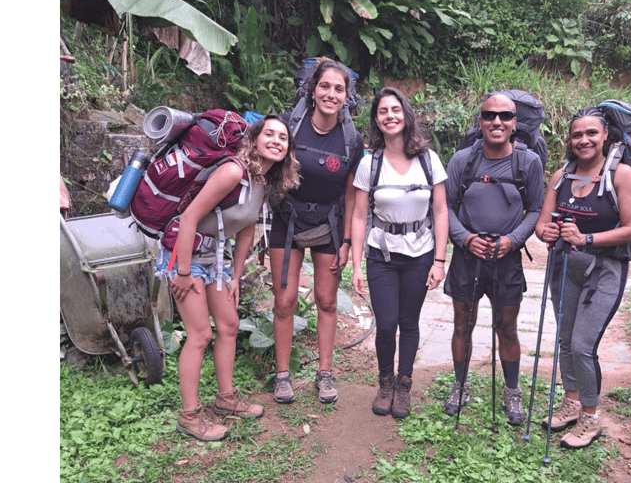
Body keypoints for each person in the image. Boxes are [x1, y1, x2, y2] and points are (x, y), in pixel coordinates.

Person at [157, 114, 300, 441]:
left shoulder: (262, 181)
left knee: (229, 324)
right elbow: (189, 217)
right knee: (199, 334)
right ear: (256, 138)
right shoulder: (234, 171)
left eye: (283, 137)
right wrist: (180, 272)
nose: (277, 141)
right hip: (184, 252)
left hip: (213, 255)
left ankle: (225, 400)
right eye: (270, 134)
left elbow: (246, 230)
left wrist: (235, 276)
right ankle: (189, 416)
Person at [534, 106, 631, 449]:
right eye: (577, 134)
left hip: (605, 269)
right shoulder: (561, 175)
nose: (584, 140)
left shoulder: (621, 175)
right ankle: (572, 401)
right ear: (570, 139)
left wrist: (587, 239)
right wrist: (547, 231)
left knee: (582, 344)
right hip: (564, 265)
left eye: (591, 133)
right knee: (565, 340)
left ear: (605, 135)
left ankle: (591, 418)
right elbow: (540, 224)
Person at [443, 91, 544, 425]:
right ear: (480, 121)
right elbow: (447, 207)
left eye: (504, 116)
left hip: (506, 258)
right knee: (462, 324)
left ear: (515, 123)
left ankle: (512, 391)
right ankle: (460, 385)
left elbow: (536, 209)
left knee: (506, 327)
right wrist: (465, 239)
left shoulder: (528, 163)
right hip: (466, 256)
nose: (496, 121)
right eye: (489, 115)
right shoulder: (461, 161)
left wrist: (512, 241)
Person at [269, 58, 365, 404]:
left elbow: (352, 195)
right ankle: (282, 376)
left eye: (338, 88)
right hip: (286, 219)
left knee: (327, 300)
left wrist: (349, 241)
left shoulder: (352, 140)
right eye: (324, 86)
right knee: (285, 300)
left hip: (329, 225)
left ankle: (325, 373)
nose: (331, 93)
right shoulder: (287, 127)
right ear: (312, 90)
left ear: (346, 96)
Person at [350, 88, 449, 418]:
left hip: (420, 254)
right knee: (386, 323)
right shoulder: (370, 164)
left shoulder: (428, 160)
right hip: (382, 255)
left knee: (409, 322)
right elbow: (360, 215)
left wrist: (439, 260)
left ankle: (404, 385)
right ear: (376, 120)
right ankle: (385, 383)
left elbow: (440, 211)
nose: (389, 116)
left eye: (395, 109)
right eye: (382, 111)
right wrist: (356, 266)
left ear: (406, 115)